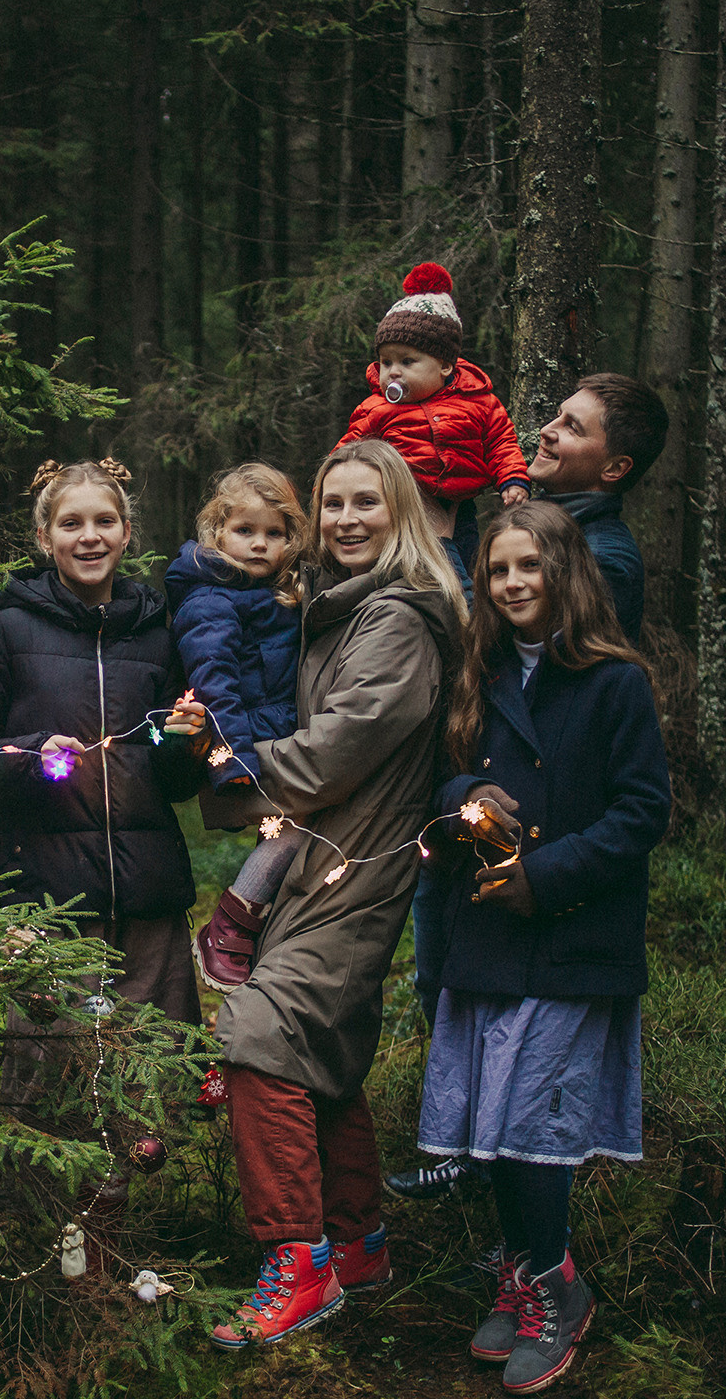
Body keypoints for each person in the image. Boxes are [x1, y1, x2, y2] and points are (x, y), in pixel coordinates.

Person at [207, 439, 466, 1350]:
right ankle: (357, 1244)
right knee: (325, 1044)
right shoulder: (340, 607)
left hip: (360, 863)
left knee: (261, 1033)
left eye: (367, 502)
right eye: (334, 504)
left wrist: (227, 780)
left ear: (402, 510)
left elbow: (333, 751)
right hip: (321, 859)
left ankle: (299, 1262)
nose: (347, 520)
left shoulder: (395, 618)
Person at [413, 501, 671, 1393]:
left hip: (571, 937)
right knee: (490, 1126)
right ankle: (523, 1273)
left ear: (567, 572)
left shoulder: (614, 681)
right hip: (486, 934)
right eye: (498, 570)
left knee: (529, 1124)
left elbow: (643, 811)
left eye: (531, 566)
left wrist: (546, 877)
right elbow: (438, 781)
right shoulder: (477, 674)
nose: (513, 583)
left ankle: (559, 1286)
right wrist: (465, 796)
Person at [0, 458, 208, 1104]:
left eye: (104, 521)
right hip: (50, 903)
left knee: (150, 1087)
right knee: (50, 1085)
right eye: (71, 524)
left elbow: (175, 782)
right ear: (45, 537)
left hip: (148, 900)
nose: (89, 536)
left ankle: (137, 1176)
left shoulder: (158, 634)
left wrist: (186, 740)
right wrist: (31, 755)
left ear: (126, 532)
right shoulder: (6, 633)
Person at [164, 463, 309, 993]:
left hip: (282, 735)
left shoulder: (280, 592)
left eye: (275, 533)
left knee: (310, 834)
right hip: (249, 746)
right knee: (299, 826)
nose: (259, 544)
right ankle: (231, 922)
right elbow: (214, 684)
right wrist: (232, 764)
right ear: (217, 532)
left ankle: (254, 929)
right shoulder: (211, 599)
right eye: (244, 530)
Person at [337, 262, 529, 589]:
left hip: (460, 509)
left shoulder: (478, 401)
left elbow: (501, 441)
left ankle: (469, 607)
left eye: (407, 361)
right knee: (430, 577)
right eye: (386, 362)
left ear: (444, 366)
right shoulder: (376, 408)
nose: (393, 372)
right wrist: (329, 493)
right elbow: (346, 454)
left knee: (468, 566)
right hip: (405, 509)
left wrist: (512, 479)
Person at [525, 372, 670, 645]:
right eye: (558, 415)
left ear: (614, 468)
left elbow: (528, 653)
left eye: (572, 427)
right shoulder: (547, 525)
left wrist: (444, 542)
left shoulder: (602, 560)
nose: (546, 429)